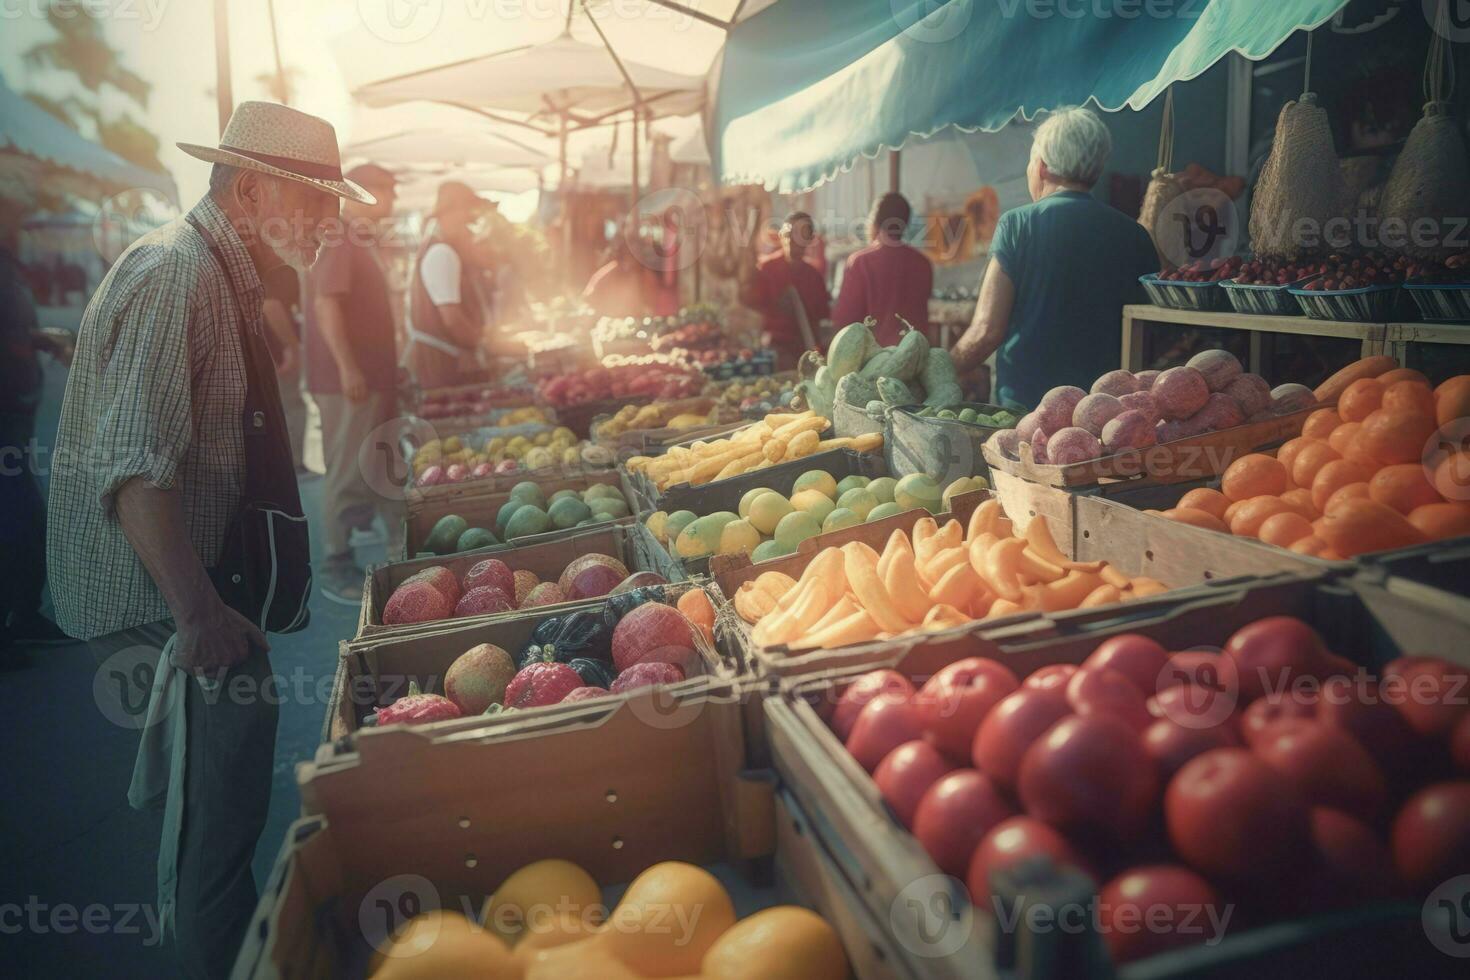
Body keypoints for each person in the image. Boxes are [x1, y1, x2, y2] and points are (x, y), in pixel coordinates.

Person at [46, 101, 367, 978]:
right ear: (253, 188)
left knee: (215, 818)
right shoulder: (179, 273)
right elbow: (134, 470)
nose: (329, 219)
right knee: (212, 839)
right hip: (160, 601)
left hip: (182, 588)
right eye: (313, 198)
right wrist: (199, 617)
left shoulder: (215, 273)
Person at [950, 107, 1157, 410]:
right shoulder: (1135, 235)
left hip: (1027, 408)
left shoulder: (1017, 224)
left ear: (1042, 166)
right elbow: (1150, 333)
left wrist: (944, 368)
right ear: (1096, 170)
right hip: (1103, 411)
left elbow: (987, 331)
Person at [305, 163, 405, 601]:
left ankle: (403, 550)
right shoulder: (341, 239)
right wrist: (349, 368)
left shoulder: (359, 241)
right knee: (347, 471)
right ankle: (335, 563)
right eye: (388, 190)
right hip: (352, 382)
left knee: (385, 464)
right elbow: (327, 304)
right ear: (363, 193)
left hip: (372, 378)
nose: (394, 200)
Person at [0, 198, 71, 660]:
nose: (18, 225)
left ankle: (23, 615)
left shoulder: (10, 265)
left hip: (16, 418)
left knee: (27, 520)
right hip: (5, 418)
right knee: (19, 521)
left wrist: (38, 339)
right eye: (11, 219)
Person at [406, 180, 496, 388]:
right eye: (468, 212)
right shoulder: (442, 253)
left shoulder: (439, 248)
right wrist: (482, 345)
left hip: (442, 361)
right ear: (452, 210)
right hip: (444, 365)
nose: (471, 221)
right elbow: (452, 319)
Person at [831, 192, 934, 345]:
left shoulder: (860, 263)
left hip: (876, 362)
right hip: (916, 358)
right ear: (905, 224)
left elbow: (844, 321)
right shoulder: (923, 264)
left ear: (875, 222)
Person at [741, 211, 830, 371]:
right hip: (775, 348)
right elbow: (751, 303)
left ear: (810, 239)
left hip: (806, 348)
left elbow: (823, 316)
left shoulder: (813, 275)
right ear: (781, 235)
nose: (793, 241)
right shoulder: (766, 268)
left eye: (801, 235)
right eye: (790, 234)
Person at [261, 266, 308, 473]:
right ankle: (293, 464)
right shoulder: (281, 267)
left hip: (264, 350)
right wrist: (291, 347)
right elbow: (270, 305)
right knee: (292, 407)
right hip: (277, 353)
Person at [582, 236, 648, 317]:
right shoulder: (606, 274)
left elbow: (638, 302)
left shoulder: (635, 275)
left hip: (628, 320)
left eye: (632, 256)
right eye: (626, 256)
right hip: (608, 318)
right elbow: (588, 298)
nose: (628, 262)